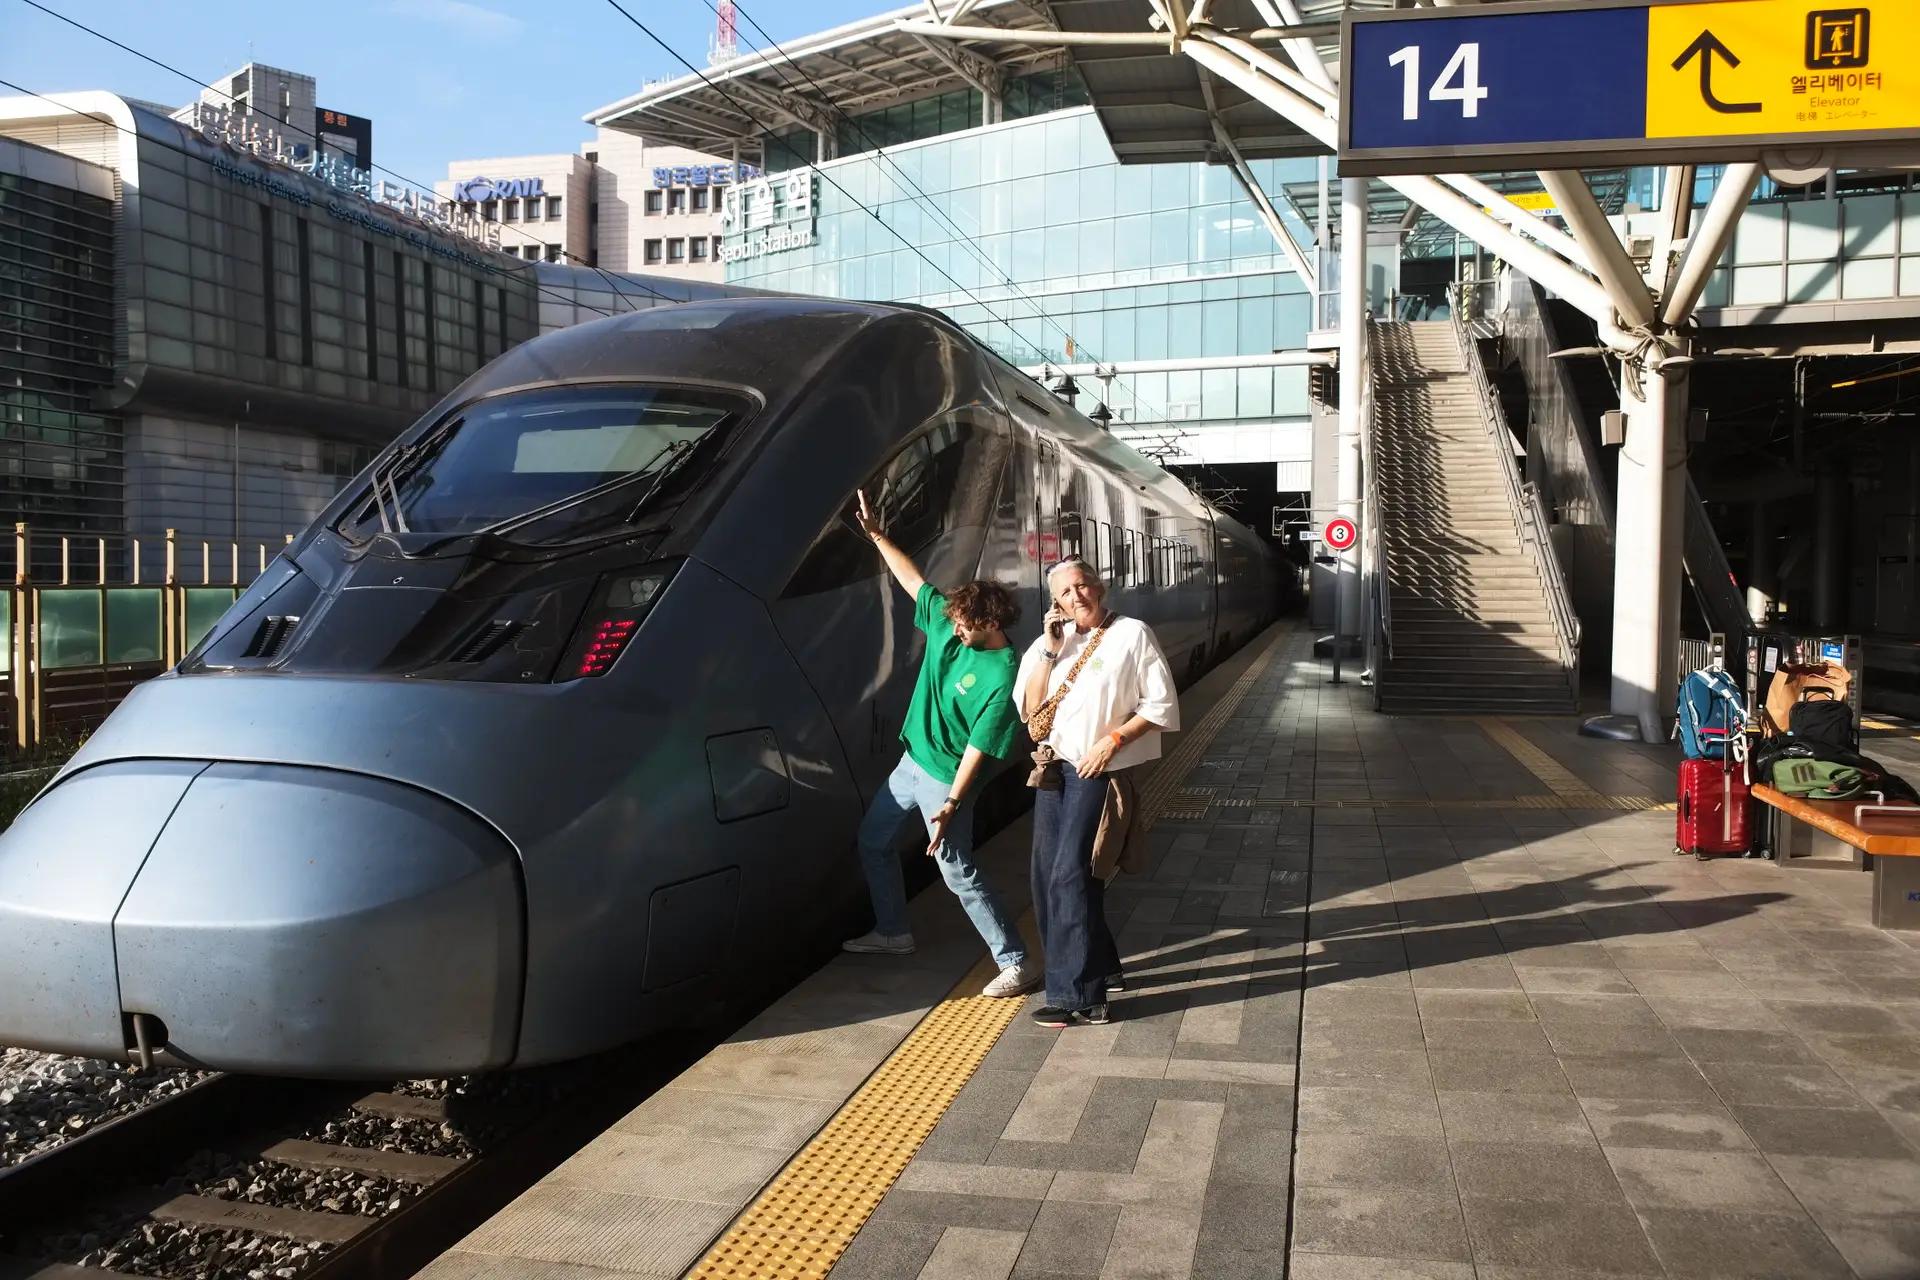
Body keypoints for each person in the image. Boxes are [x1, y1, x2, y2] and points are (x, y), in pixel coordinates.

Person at [841, 490, 1040, 999]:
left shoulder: (1004, 676)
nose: (952, 630)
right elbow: (913, 582)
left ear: (991, 624)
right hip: (912, 763)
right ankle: (893, 932)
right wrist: (878, 534)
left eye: (963, 625)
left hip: (947, 778)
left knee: (957, 870)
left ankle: (1015, 961)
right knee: (873, 840)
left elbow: (978, 748)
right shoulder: (951, 623)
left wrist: (951, 803)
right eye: (951, 621)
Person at [1015, 556, 1177, 1027]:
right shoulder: (1050, 644)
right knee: (1047, 876)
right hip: (1053, 769)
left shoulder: (1132, 633)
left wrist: (1114, 741)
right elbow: (1030, 710)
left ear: (1099, 586)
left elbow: (1161, 703)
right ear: (1054, 602)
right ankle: (1102, 966)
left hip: (1098, 772)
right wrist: (1049, 651)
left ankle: (1082, 997)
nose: (1076, 597)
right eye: (1065, 592)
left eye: (1082, 586)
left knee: (1072, 875)